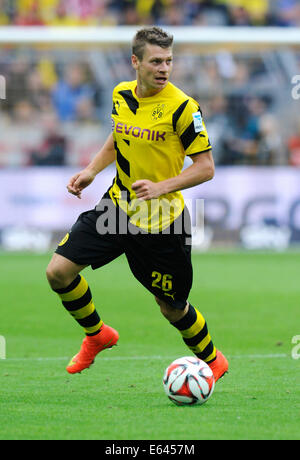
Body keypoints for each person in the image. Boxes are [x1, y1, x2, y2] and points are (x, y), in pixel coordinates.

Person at [46, 26, 228, 381]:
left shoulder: (183, 108)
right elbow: (118, 138)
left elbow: (206, 168)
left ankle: (213, 361)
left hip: (162, 221)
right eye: (156, 61)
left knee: (171, 309)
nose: (164, 69)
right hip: (116, 209)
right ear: (136, 62)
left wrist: (162, 187)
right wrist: (91, 171)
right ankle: (97, 335)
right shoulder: (121, 95)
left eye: (169, 61)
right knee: (58, 272)